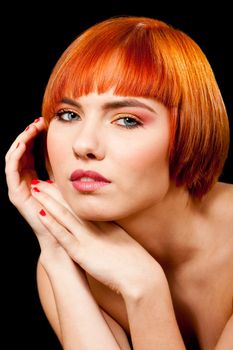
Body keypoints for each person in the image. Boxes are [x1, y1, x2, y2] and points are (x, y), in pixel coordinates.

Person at [5, 15, 233, 350]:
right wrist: (55, 249)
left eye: (126, 120)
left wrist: (145, 290)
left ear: (190, 133)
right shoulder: (69, 260)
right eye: (69, 115)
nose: (83, 145)